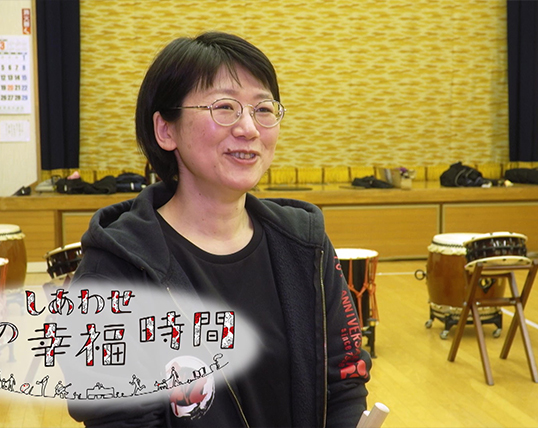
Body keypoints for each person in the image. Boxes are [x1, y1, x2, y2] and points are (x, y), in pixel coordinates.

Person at [69, 31, 371, 427]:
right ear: (166, 130)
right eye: (225, 107)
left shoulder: (306, 245)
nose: (249, 128)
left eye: (263, 109)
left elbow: (344, 384)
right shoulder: (113, 270)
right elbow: (119, 418)